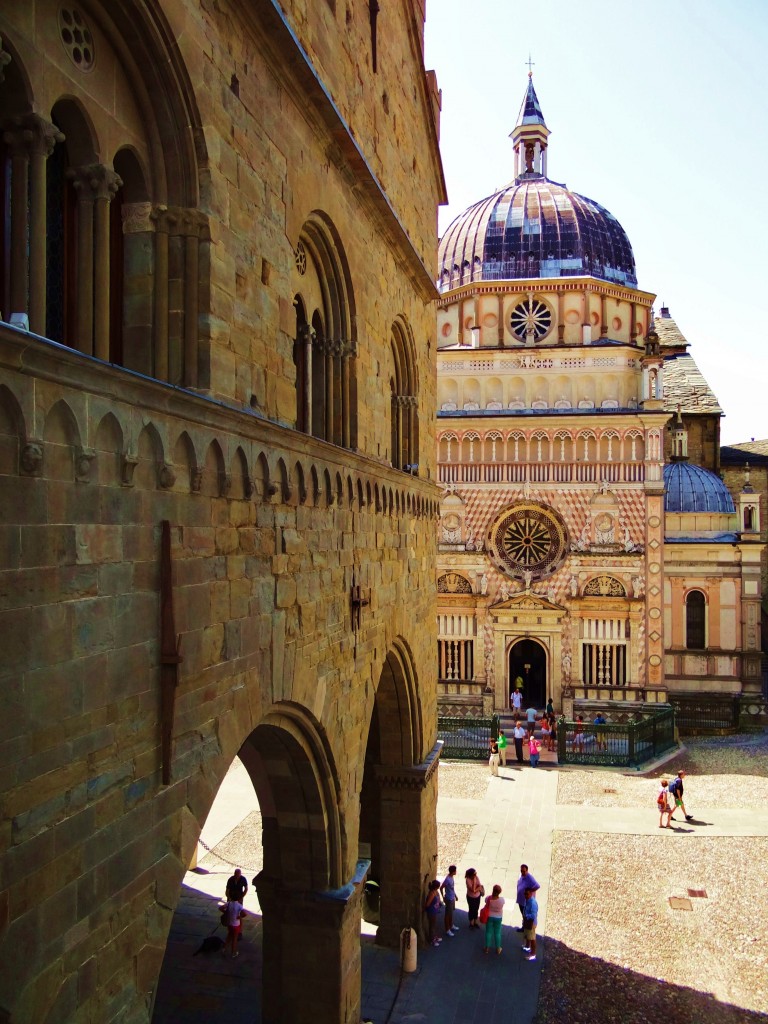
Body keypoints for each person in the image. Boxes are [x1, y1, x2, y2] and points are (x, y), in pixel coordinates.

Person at [483, 884, 505, 955]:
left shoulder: (488, 898)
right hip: (498, 918)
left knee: (488, 932)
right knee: (497, 933)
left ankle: (487, 948)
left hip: (489, 916)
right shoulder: (502, 900)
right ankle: (498, 949)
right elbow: (503, 905)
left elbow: (485, 901)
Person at [516, 864, 539, 930]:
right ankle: (524, 926)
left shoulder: (530, 878)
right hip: (521, 899)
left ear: (527, 870)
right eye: (521, 871)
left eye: (524, 871)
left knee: (525, 914)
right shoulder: (521, 876)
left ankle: (526, 927)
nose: (522, 872)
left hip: (525, 901)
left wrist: (530, 891)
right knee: (523, 914)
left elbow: (537, 886)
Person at [440, 865, 459, 936]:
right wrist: (443, 897)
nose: (456, 872)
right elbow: (441, 887)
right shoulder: (447, 879)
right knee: (447, 914)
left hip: (452, 897)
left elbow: (452, 888)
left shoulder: (451, 877)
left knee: (451, 913)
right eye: (455, 871)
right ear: (453, 871)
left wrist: (455, 895)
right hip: (448, 898)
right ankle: (447, 929)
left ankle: (451, 925)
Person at [522, 886, 539, 961]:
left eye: (527, 894)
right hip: (527, 922)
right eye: (525, 894)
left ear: (531, 894)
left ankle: (533, 954)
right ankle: (527, 946)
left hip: (531, 923)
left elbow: (533, 915)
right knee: (528, 935)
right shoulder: (528, 900)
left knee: (532, 938)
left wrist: (526, 916)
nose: (525, 895)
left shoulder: (532, 903)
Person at [424, 879, 443, 946]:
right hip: (431, 911)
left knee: (434, 925)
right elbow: (427, 904)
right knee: (432, 926)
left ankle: (434, 936)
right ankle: (431, 940)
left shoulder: (435, 892)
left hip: (434, 911)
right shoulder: (432, 893)